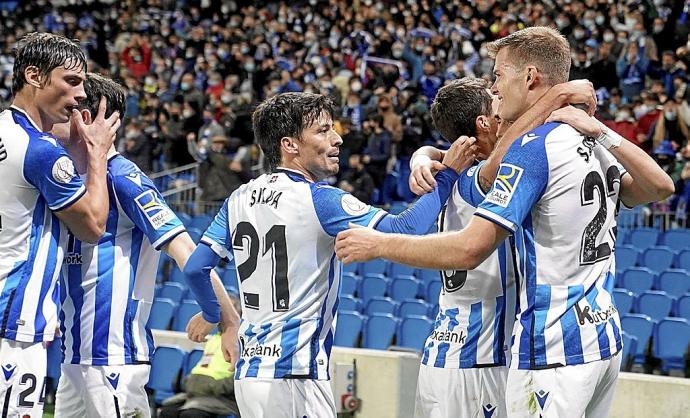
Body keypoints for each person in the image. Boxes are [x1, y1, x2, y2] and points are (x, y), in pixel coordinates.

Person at [335, 27, 675, 418]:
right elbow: (658, 186)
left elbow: (470, 240)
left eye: (498, 77)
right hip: (594, 338)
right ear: (482, 124)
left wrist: (418, 165)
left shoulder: (511, 157)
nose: (496, 91)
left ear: (529, 77)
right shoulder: (578, 146)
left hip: (537, 349)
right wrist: (572, 108)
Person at [182, 92, 478, 418]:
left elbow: (196, 267)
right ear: (290, 144)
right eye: (323, 131)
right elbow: (404, 228)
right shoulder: (319, 199)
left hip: (249, 373)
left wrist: (219, 319)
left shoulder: (238, 197)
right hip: (293, 373)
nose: (337, 138)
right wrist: (448, 174)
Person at [51, 73, 240, 418]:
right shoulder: (69, 180)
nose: (56, 118)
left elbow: (188, 251)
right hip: (72, 358)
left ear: (91, 117)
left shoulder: (125, 179)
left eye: (68, 109)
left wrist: (226, 321)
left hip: (114, 361)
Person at [409, 76, 597, 418]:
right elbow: (505, 152)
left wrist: (421, 155)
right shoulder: (481, 177)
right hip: (480, 357)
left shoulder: (445, 172)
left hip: (442, 351)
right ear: (483, 122)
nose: (502, 107)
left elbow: (446, 152)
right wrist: (556, 95)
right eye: (494, 104)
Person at [0, 32, 120, 418]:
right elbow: (92, 225)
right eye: (72, 81)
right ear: (34, 76)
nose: (81, 94)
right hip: (14, 323)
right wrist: (98, 154)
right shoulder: (40, 152)